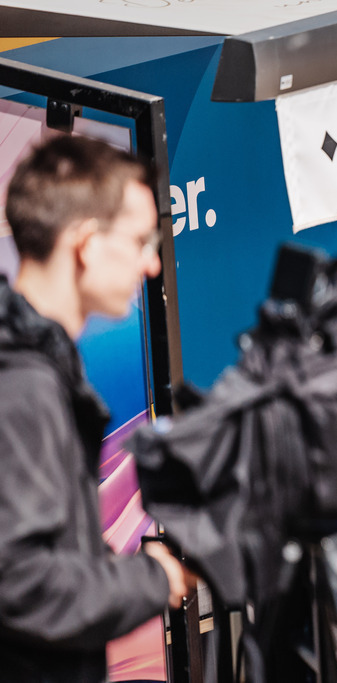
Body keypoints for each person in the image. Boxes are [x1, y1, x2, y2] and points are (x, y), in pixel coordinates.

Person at [0, 135, 191, 681]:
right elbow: (21, 584)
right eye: (140, 240)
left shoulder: (32, 362)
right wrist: (152, 579)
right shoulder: (23, 387)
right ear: (85, 243)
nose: (153, 263)